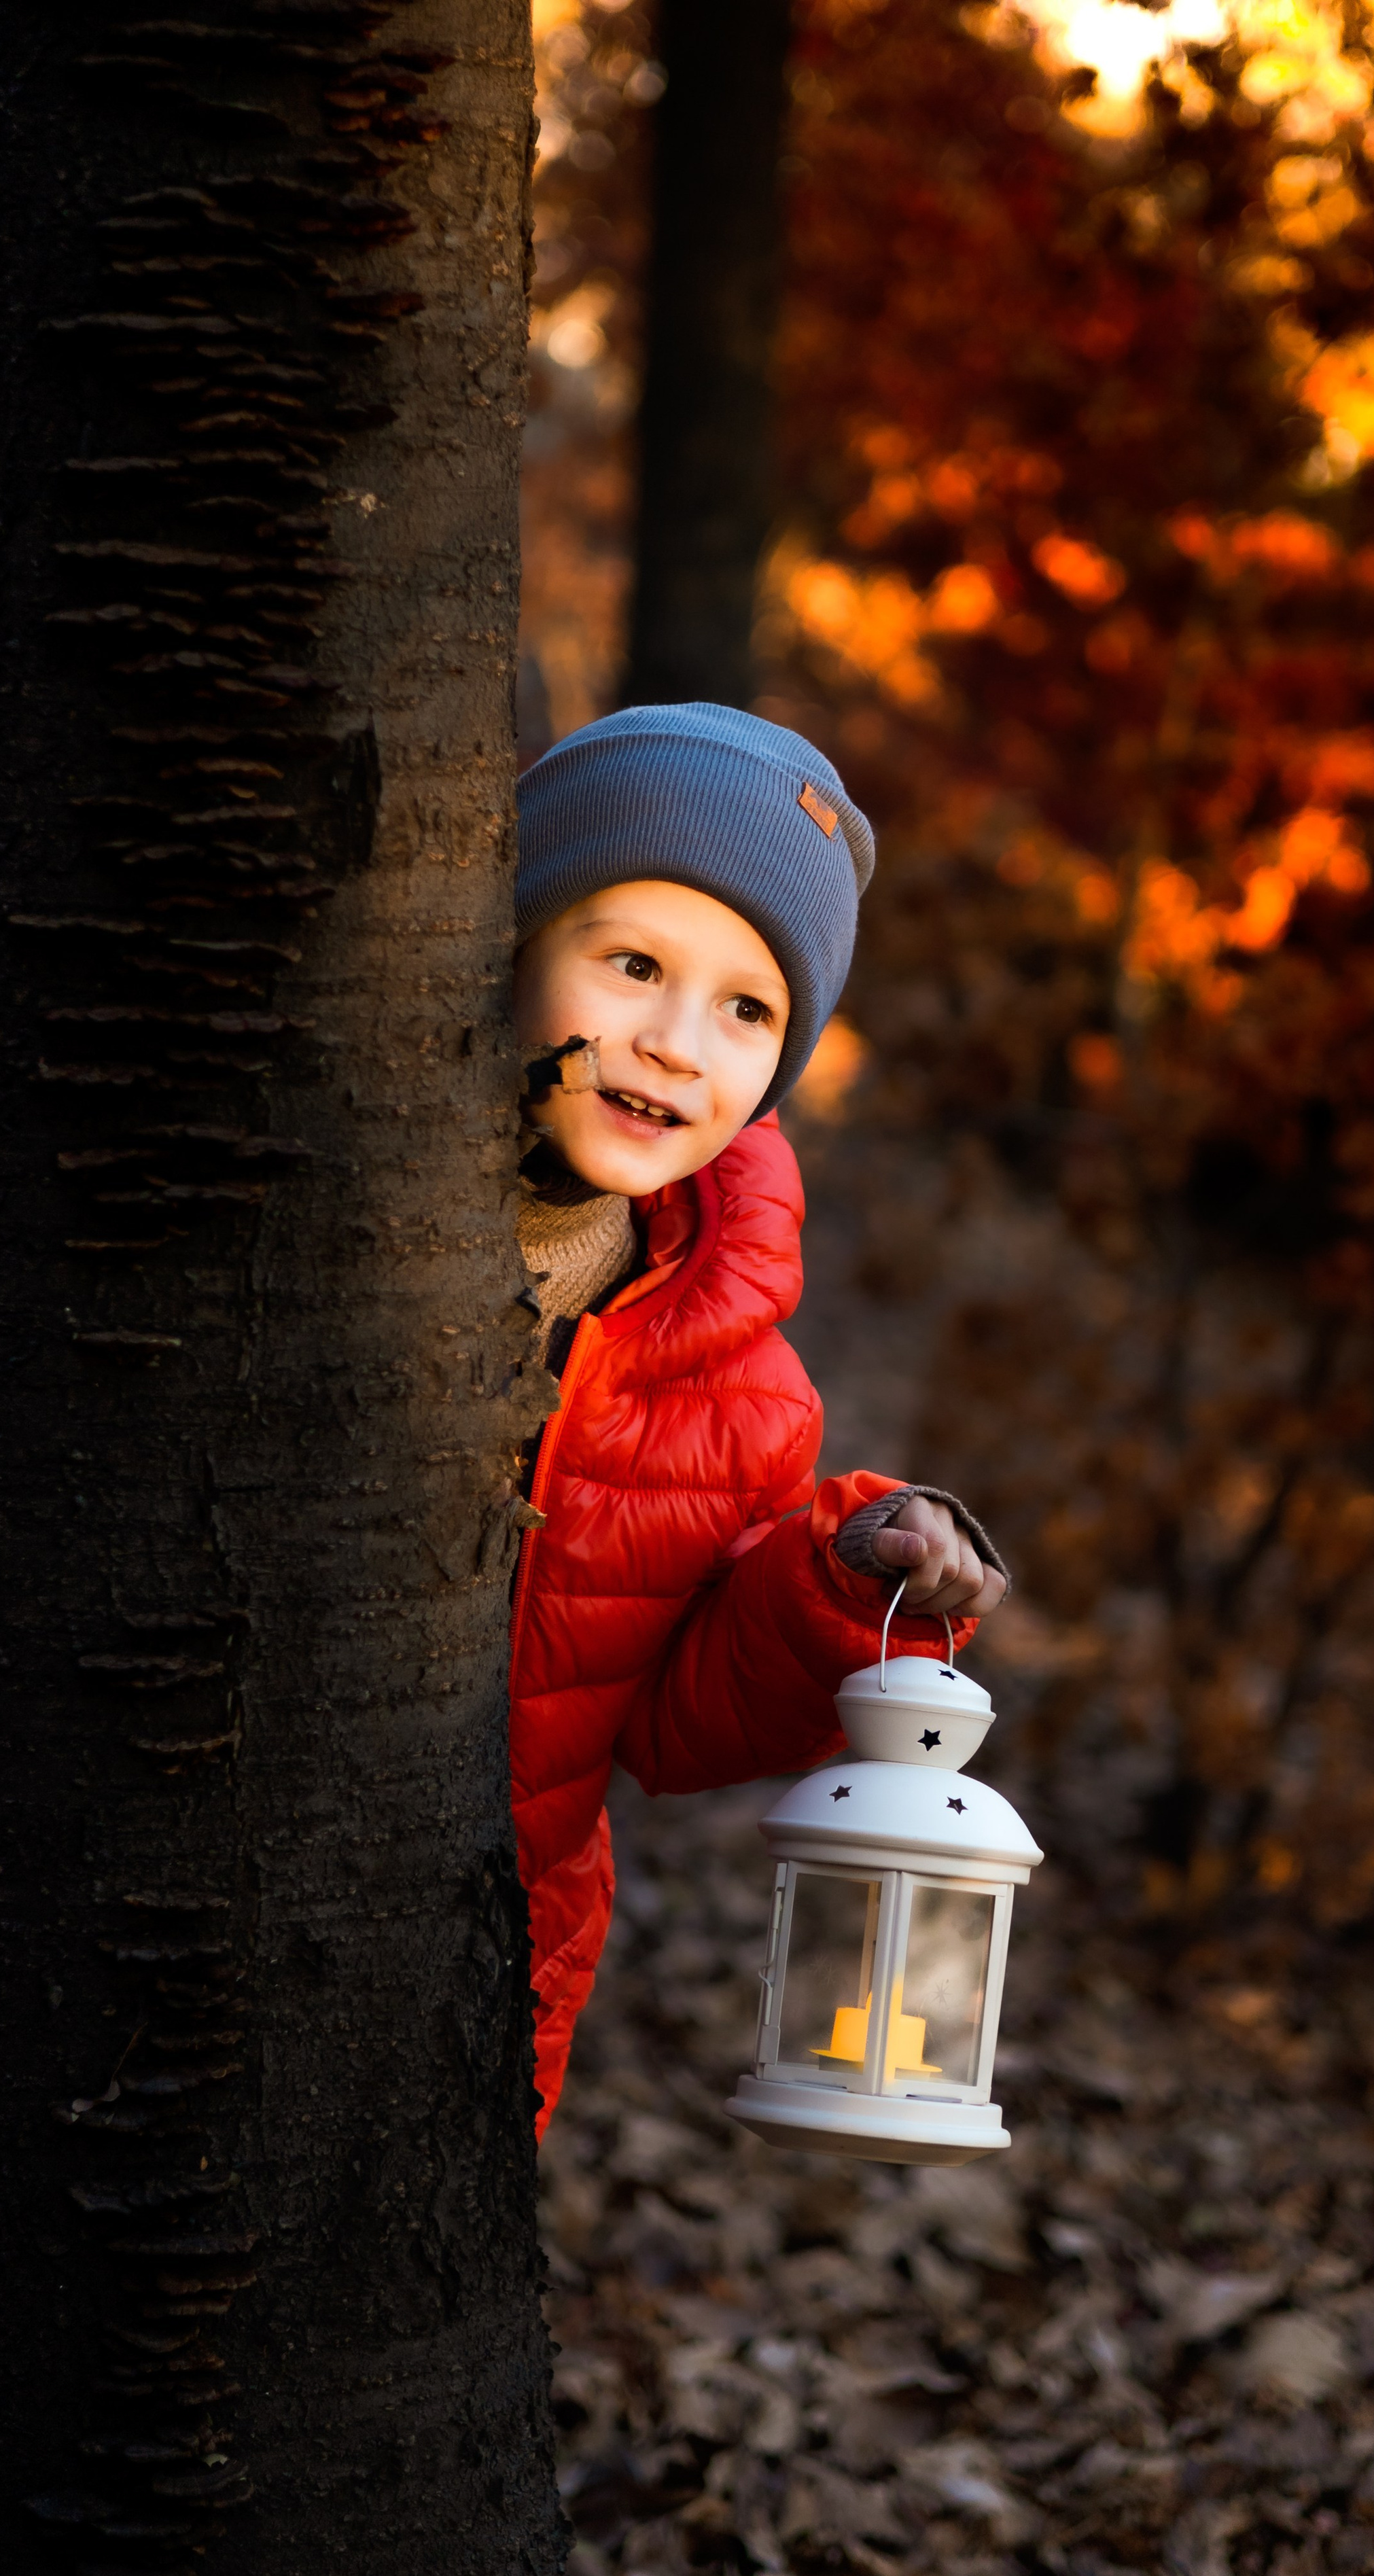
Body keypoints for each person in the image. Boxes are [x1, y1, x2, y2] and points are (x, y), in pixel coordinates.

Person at [504, 702, 1009, 2132]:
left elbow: (664, 1723)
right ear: (517, 944)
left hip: (483, 1951)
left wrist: (843, 1582)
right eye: (631, 964)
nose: (674, 1042)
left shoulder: (732, 1387)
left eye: (747, 1008)